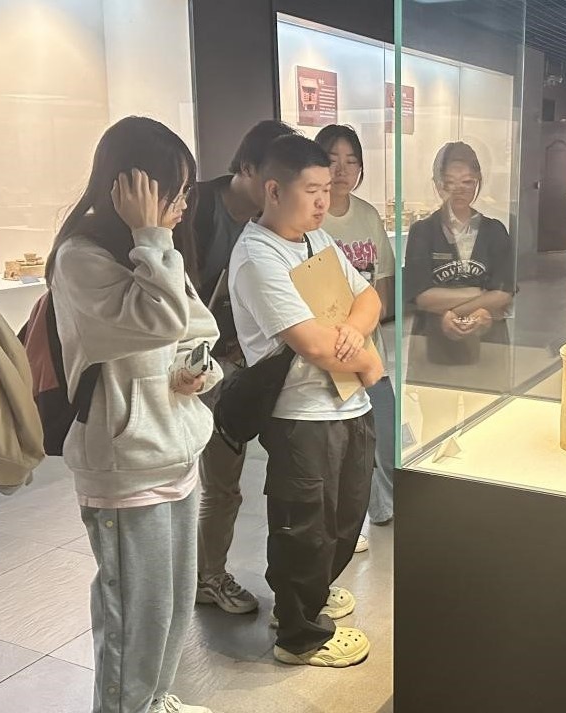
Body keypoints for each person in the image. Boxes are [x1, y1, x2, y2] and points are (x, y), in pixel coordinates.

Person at [48, 117, 222, 713]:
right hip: (125, 466)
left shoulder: (157, 253)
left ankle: (155, 700)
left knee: (171, 604)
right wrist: (151, 235)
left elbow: (197, 330)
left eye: (186, 192)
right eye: (174, 191)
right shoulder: (80, 258)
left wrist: (197, 373)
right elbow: (160, 320)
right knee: (134, 617)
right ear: (131, 187)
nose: (182, 205)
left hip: (175, 445)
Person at [229, 134, 383, 668]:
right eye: (312, 190)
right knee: (304, 525)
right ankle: (298, 634)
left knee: (345, 514)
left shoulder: (316, 239)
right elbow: (312, 344)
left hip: (347, 400)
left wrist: (355, 336)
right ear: (274, 190)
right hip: (300, 413)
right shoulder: (257, 255)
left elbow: (368, 296)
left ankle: (311, 593)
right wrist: (368, 361)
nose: (324, 200)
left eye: (327, 189)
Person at [191, 119, 298, 615]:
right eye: (275, 179)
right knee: (220, 482)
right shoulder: (196, 208)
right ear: (249, 168)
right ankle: (207, 577)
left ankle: (213, 574)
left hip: (252, 365)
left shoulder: (271, 219)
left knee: (266, 473)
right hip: (199, 367)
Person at [315, 124, 396, 536]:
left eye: (351, 161)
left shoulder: (367, 215)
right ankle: (346, 525)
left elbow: (382, 284)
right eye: (332, 160)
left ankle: (386, 508)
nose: (342, 170)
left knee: (386, 432)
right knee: (342, 447)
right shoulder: (311, 220)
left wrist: (364, 321)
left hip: (370, 348)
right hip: (328, 354)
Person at [403, 141, 515, 388]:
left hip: (487, 343)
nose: (458, 190)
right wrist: (479, 294)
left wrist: (454, 310)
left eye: (467, 182)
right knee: (437, 407)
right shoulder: (423, 231)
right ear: (437, 184)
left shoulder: (495, 231)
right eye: (449, 182)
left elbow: (504, 293)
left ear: (478, 182)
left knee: (490, 408)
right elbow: (422, 296)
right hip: (434, 344)